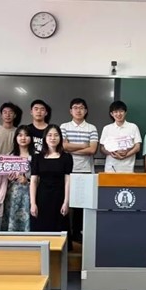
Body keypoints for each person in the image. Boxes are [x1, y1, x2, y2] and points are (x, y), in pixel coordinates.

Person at [60, 98, 98, 243]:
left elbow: (92, 150)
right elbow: (63, 147)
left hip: (85, 170)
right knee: (66, 201)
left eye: (81, 107)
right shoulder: (64, 126)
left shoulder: (91, 128)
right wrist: (83, 145)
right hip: (67, 170)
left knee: (81, 205)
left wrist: (71, 148)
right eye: (75, 107)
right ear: (71, 111)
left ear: (86, 111)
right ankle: (65, 233)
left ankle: (77, 233)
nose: (78, 110)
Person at [30, 125, 74, 239]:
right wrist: (33, 203)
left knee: (60, 229)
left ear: (60, 138)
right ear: (45, 138)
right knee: (41, 229)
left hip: (59, 197)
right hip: (42, 198)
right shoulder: (37, 157)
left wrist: (66, 202)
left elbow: (68, 181)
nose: (53, 138)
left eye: (56, 135)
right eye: (49, 135)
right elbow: (33, 181)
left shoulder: (66, 157)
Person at [2, 125, 32, 232]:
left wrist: (27, 180)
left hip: (29, 195)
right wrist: (8, 177)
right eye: (20, 135)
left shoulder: (36, 156)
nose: (23, 138)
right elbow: (1, 179)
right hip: (11, 195)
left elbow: (40, 177)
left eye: (26, 135)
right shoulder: (9, 156)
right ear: (16, 138)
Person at [100, 101, 142, 173]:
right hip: (110, 168)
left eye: (121, 111)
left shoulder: (133, 127)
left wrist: (125, 155)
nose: (118, 114)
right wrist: (113, 153)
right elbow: (102, 148)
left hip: (128, 168)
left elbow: (137, 147)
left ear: (125, 112)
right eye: (115, 112)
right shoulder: (107, 128)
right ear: (111, 114)